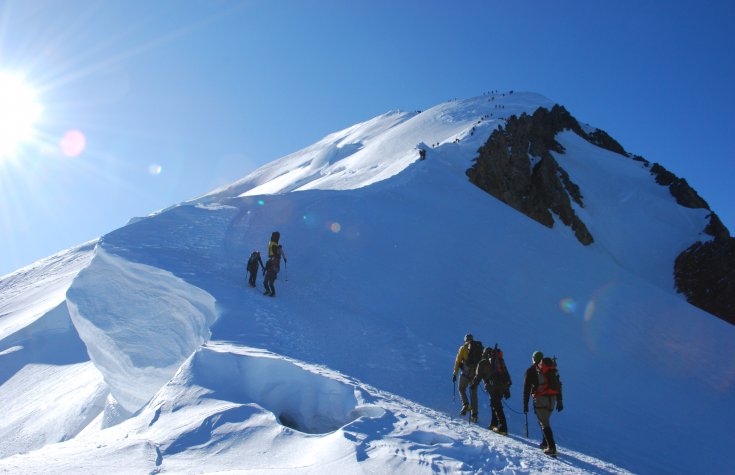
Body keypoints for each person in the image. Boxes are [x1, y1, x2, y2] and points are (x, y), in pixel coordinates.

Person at [523, 351, 564, 456]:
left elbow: (526, 389)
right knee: (545, 420)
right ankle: (545, 443)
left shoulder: (531, 371)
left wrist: (525, 404)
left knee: (544, 422)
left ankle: (551, 447)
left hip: (541, 399)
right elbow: (558, 384)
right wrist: (559, 400)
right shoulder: (550, 370)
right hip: (553, 399)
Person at [473, 346, 512, 434]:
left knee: (496, 405)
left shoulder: (483, 362)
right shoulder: (499, 361)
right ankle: (494, 424)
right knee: (495, 403)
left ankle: (503, 428)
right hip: (502, 387)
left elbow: (478, 376)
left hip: (493, 386)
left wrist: (473, 384)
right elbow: (505, 374)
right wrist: (506, 389)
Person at [452, 334, 482, 423]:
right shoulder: (478, 348)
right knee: (473, 393)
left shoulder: (463, 348)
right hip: (475, 374)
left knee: (461, 388)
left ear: (465, 340)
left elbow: (457, 361)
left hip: (466, 373)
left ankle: (466, 404)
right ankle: (474, 415)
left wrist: (455, 373)